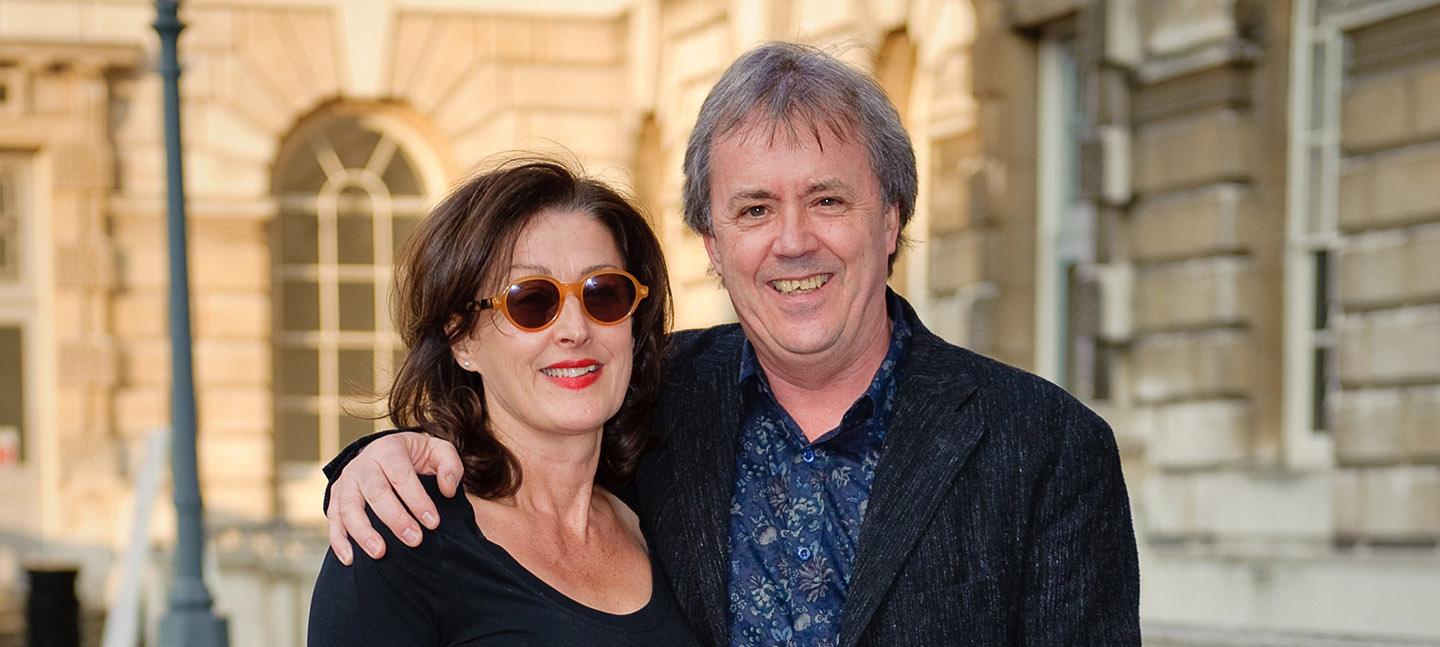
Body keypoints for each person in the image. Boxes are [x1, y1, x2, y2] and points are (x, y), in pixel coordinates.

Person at [323, 42, 1141, 646]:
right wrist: (379, 455)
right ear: (711, 242)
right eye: (753, 209)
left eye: (827, 199)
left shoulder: (1048, 447)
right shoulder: (658, 400)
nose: (792, 242)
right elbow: (517, 435)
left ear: (891, 220)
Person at [307, 159, 701, 646]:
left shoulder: (670, 518)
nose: (576, 330)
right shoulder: (403, 533)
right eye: (532, 301)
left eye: (603, 294)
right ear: (462, 338)